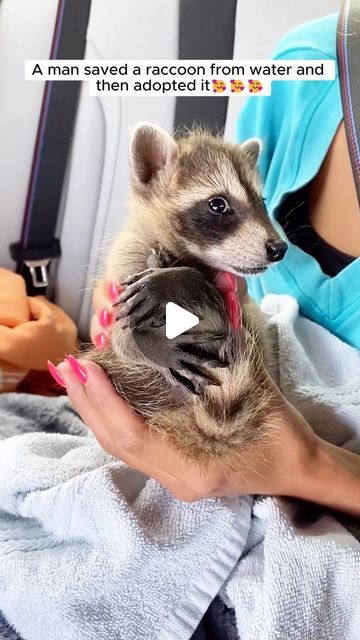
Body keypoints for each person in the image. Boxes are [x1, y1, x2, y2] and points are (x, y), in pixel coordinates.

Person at [52, 13, 360, 516]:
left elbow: (235, 335)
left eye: (260, 207)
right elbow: (132, 329)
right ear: (152, 176)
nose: (271, 238)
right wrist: (141, 322)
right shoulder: (308, 63)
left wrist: (308, 468)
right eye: (220, 208)